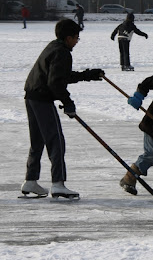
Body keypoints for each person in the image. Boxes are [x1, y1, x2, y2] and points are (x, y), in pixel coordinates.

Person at [22, 19, 105, 198]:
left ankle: (30, 180)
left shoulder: (54, 47)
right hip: (43, 99)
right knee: (56, 141)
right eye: (76, 38)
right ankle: (58, 183)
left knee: (37, 141)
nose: (77, 41)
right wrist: (67, 102)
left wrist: (87, 75)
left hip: (31, 96)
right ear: (68, 38)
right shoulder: (62, 52)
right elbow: (55, 83)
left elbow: (60, 76)